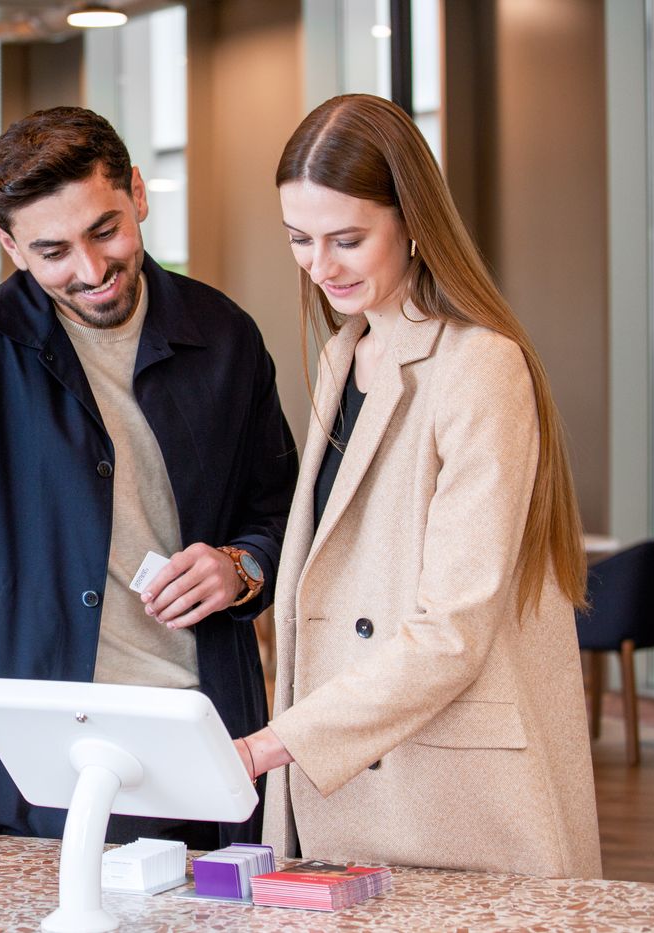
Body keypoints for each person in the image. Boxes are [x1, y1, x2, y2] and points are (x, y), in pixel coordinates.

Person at [0, 106, 297, 846]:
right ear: (10, 245)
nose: (92, 271)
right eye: (53, 250)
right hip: (24, 760)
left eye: (105, 230)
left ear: (136, 191)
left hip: (202, 743)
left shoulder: (226, 336)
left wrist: (240, 566)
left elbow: (282, 510)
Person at [236, 93, 601, 878]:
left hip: (446, 791)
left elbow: (452, 630)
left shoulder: (480, 364)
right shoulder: (344, 354)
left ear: (411, 220)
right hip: (346, 780)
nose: (320, 265)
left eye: (347, 239)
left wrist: (274, 743)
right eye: (300, 239)